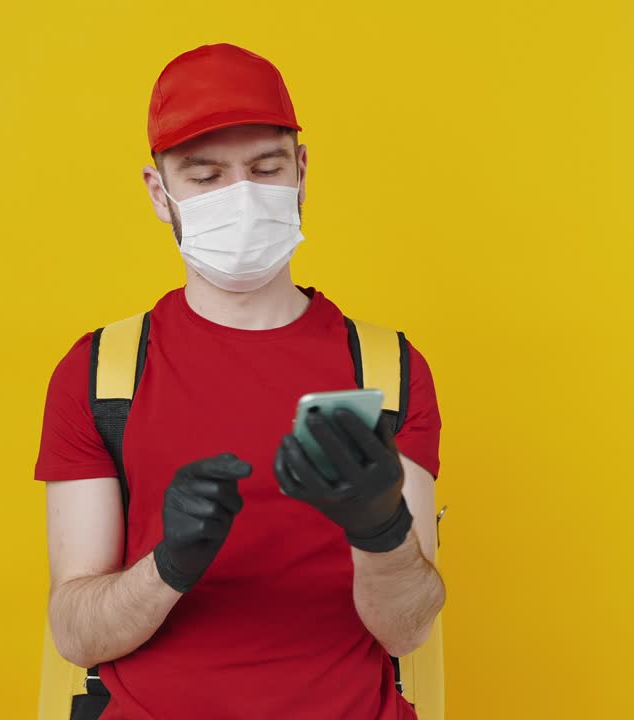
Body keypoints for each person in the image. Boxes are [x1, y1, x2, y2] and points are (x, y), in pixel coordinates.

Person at [34, 43, 445, 719]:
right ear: (158, 193)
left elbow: (409, 631)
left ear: (302, 171)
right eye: (205, 176)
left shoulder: (389, 369)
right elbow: (77, 635)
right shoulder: (101, 371)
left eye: (265, 168)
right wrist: (168, 564)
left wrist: (381, 528)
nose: (243, 198)